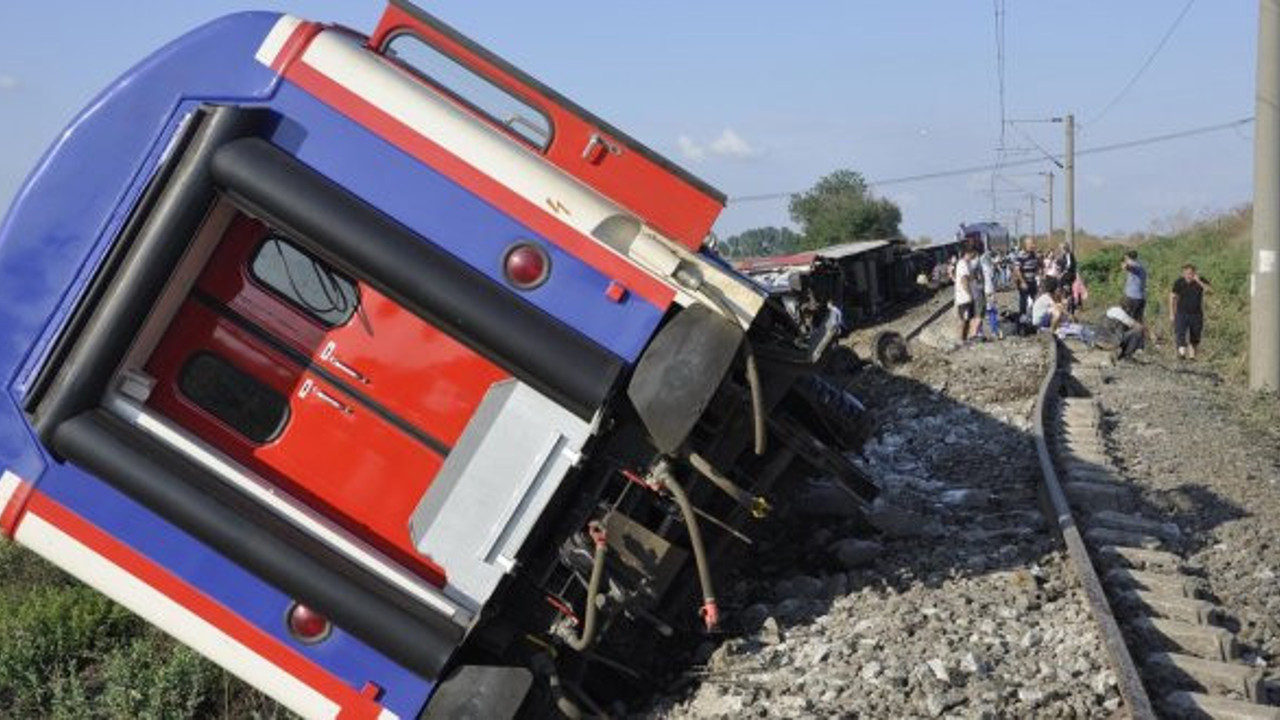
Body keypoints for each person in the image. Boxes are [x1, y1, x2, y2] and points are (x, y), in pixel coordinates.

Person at [1169, 263, 1212, 360]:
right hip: (1181, 312)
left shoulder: (1200, 280)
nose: (1188, 275)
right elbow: (1172, 297)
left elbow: (1210, 291)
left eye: (1191, 273)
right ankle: (1182, 354)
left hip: (1196, 313)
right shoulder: (1179, 282)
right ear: (1183, 273)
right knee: (1180, 332)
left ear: (1194, 273)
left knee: (1195, 335)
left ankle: (1192, 357)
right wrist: (1171, 313)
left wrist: (1198, 281)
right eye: (1186, 273)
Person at [954, 243, 978, 342]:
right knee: (964, 319)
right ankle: (961, 340)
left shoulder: (968, 263)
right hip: (964, 298)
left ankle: (964, 339)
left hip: (968, 297)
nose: (975, 255)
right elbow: (964, 280)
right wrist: (969, 294)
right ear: (969, 252)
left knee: (968, 319)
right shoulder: (962, 264)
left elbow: (970, 277)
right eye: (974, 253)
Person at [1013, 237, 1040, 321]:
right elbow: (1017, 270)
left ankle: (1034, 317)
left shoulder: (1033, 254)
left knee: (1035, 299)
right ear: (1025, 245)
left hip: (1032, 280)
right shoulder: (1021, 255)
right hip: (1024, 281)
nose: (1033, 245)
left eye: (1033, 243)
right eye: (1031, 244)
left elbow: (1036, 266)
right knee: (1023, 300)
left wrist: (1039, 275)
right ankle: (1023, 318)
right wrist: (1022, 282)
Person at [1121, 250, 1147, 322]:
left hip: (1132, 299)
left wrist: (1125, 261)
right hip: (1140, 298)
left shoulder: (1135, 266)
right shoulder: (1142, 264)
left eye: (1127, 258)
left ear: (1129, 258)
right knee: (1138, 320)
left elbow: (1126, 267)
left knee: (1127, 320)